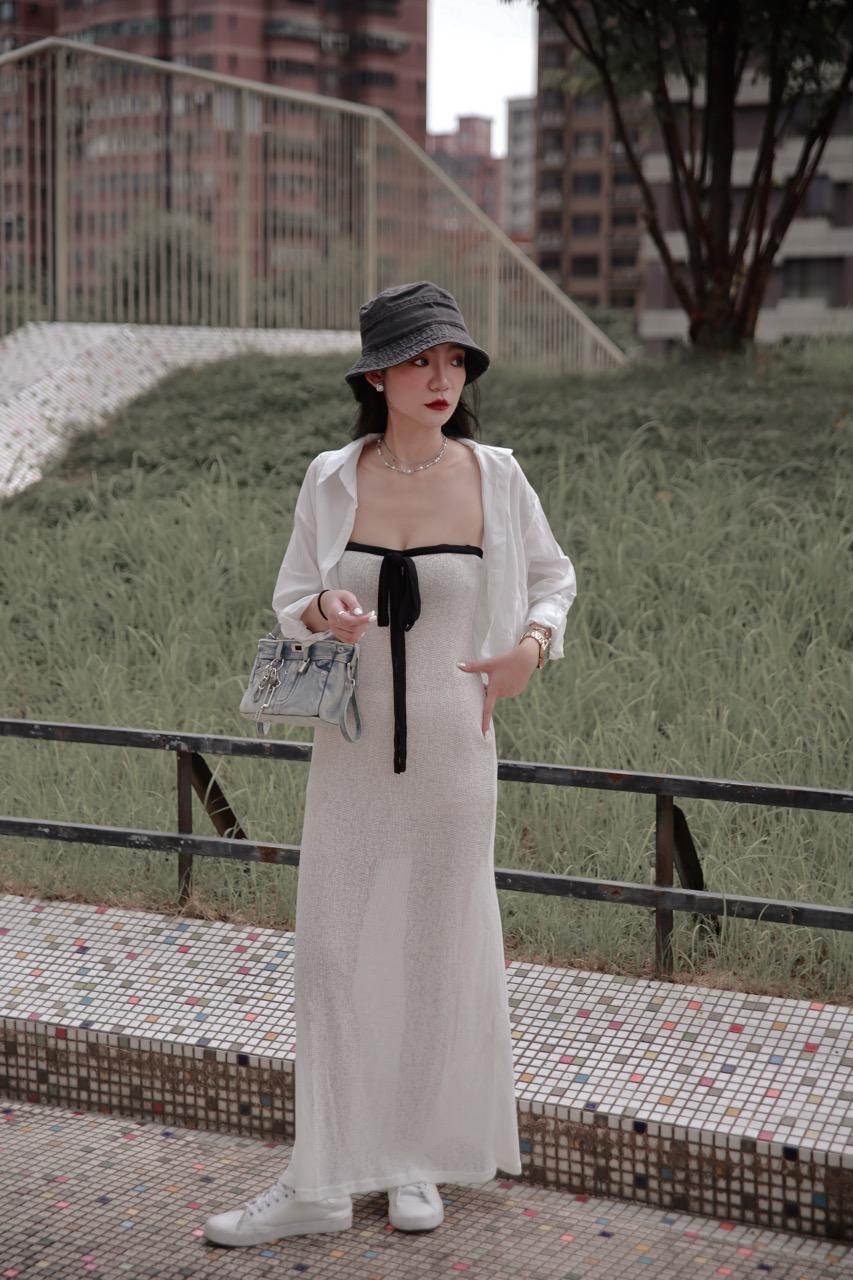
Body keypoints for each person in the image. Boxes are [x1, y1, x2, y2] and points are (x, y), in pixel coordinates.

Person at [204, 281, 577, 1248]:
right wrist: (322, 610)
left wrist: (531, 648)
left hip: (457, 753)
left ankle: (411, 1158)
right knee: (330, 955)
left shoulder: (495, 476)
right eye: (419, 361)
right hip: (352, 753)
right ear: (376, 376)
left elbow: (553, 577)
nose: (441, 378)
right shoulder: (332, 477)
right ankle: (321, 1179)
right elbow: (292, 595)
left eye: (453, 361)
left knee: (430, 955)